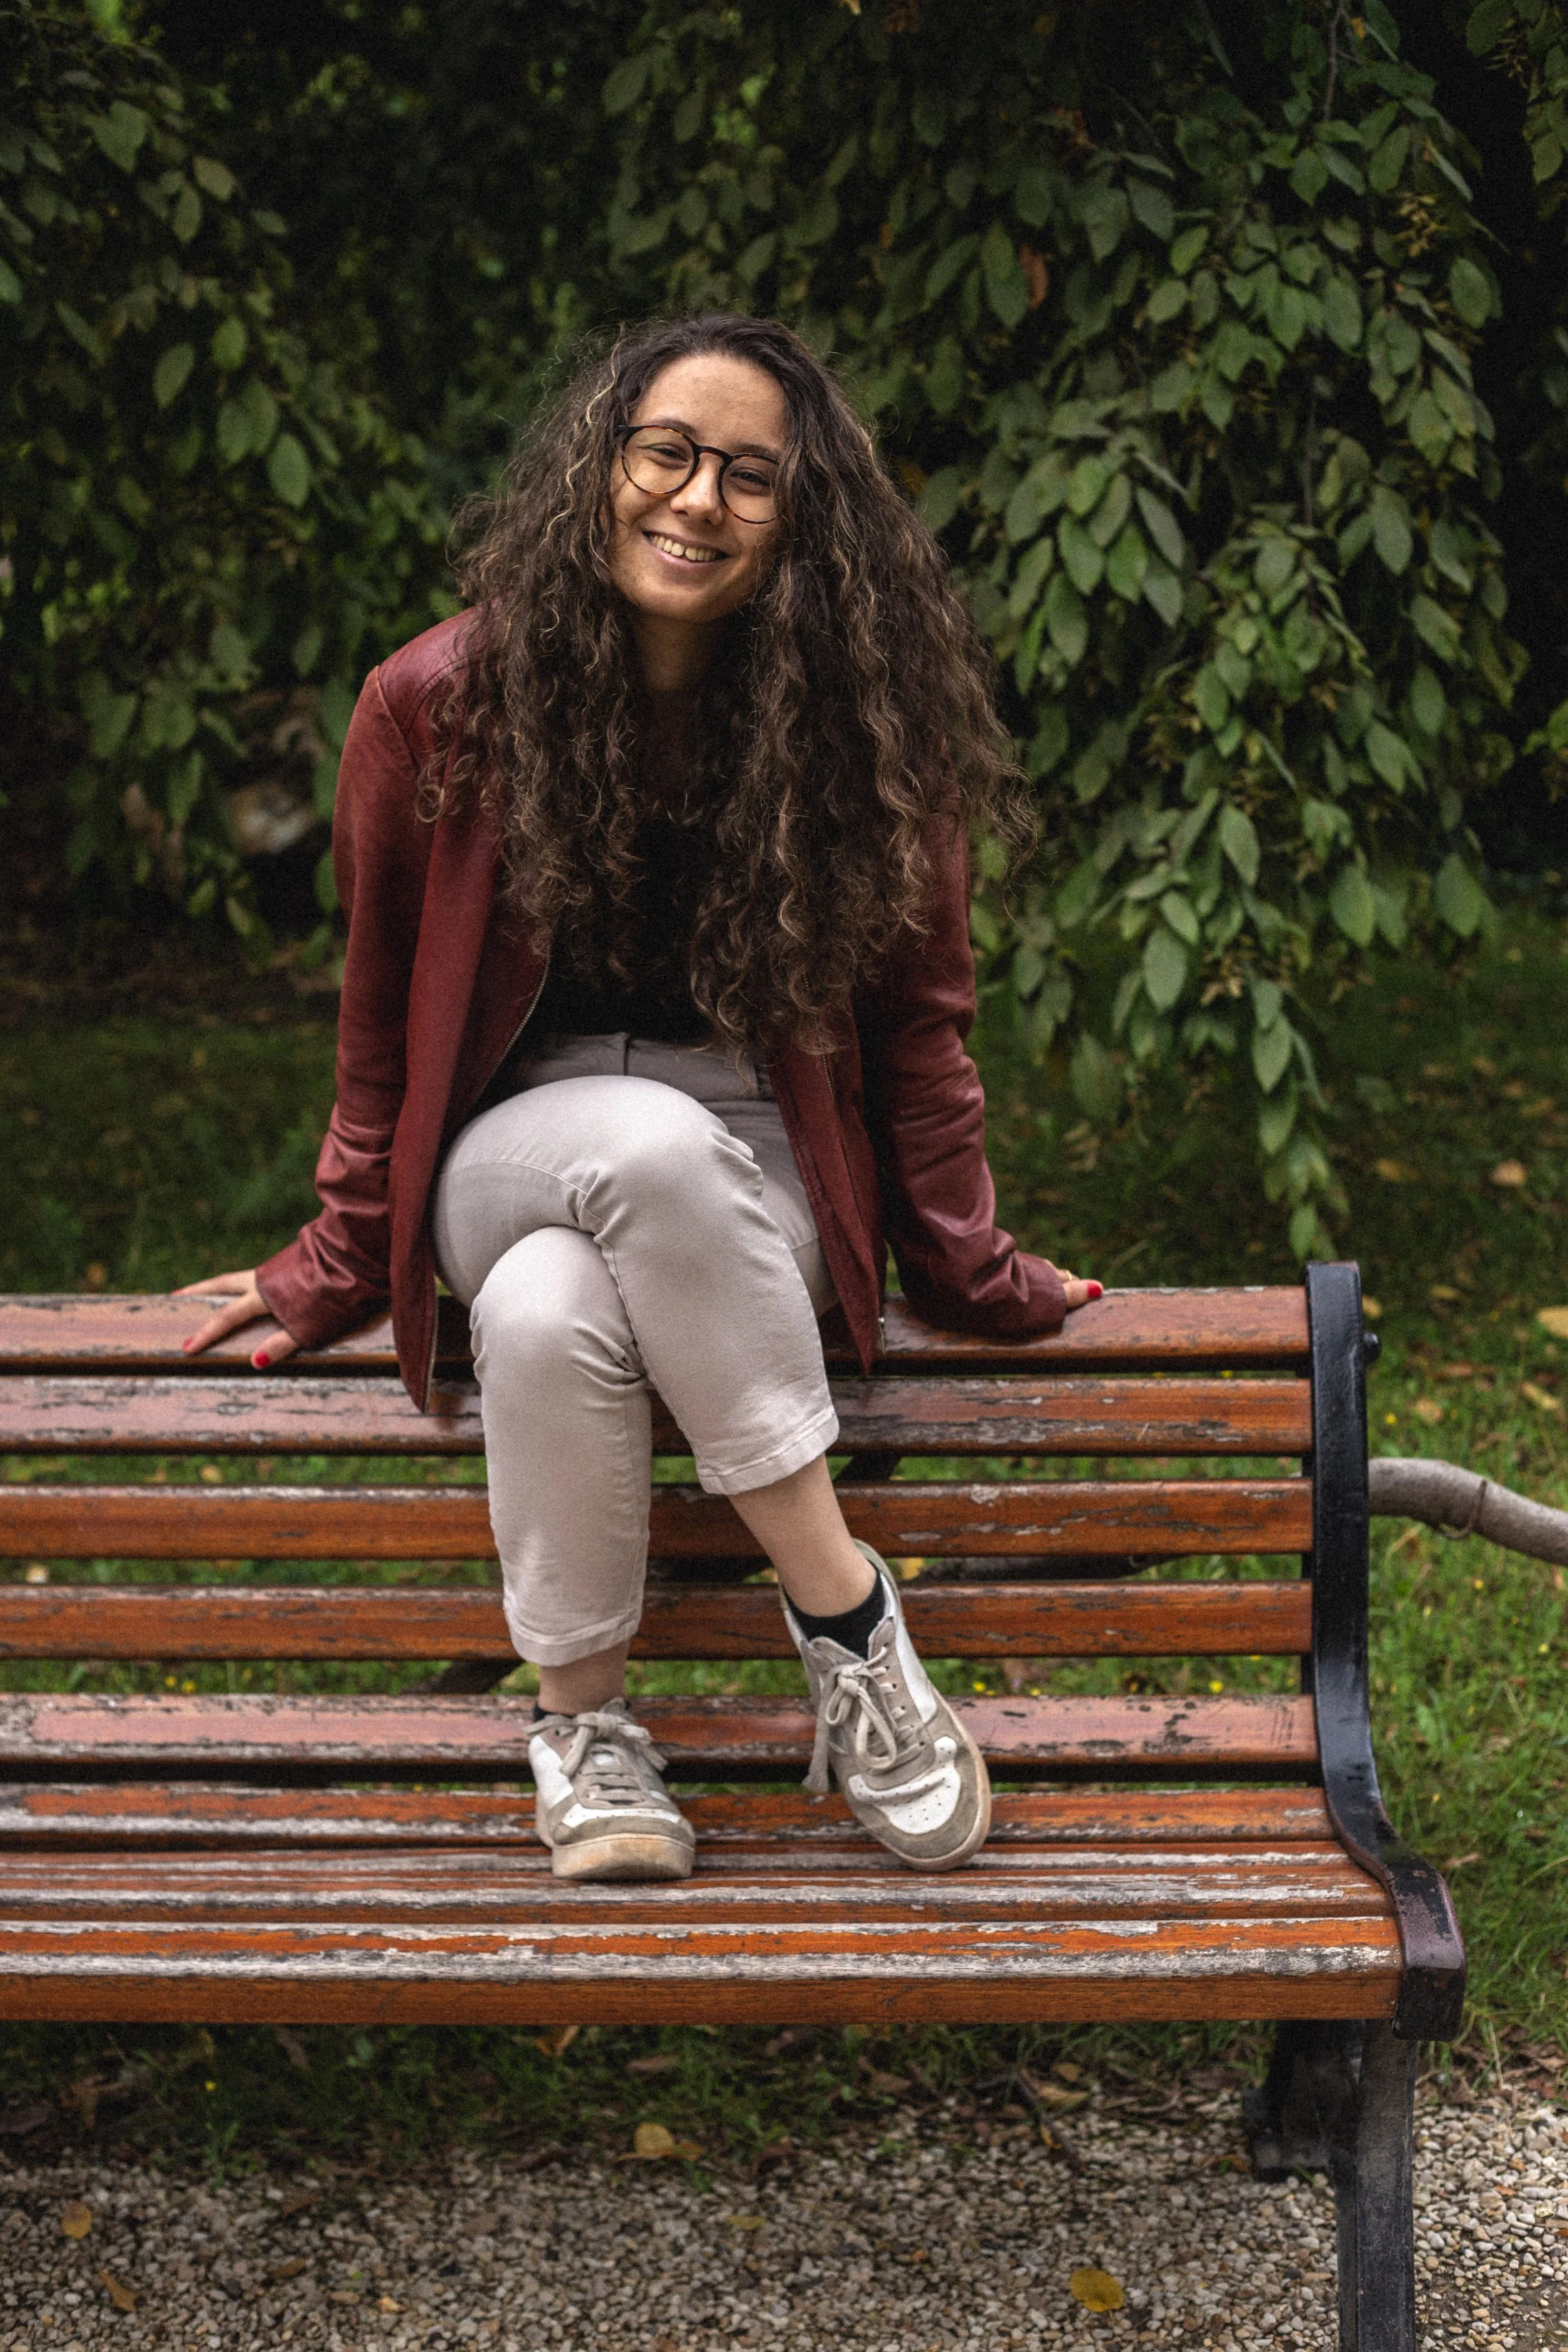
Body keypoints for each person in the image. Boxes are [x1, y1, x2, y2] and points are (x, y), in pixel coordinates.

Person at [179, 312, 1101, 1885]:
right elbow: (381, 1015)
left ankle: (587, 1739)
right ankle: (849, 1622)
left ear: (803, 520)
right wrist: (336, 1253)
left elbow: (920, 1023)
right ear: (601, 468)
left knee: (543, 1312)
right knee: (622, 1154)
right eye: (665, 453)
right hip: (504, 1146)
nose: (697, 498)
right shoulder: (434, 704)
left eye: (750, 475)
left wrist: (965, 1256)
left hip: (759, 1173)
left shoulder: (859, 722)